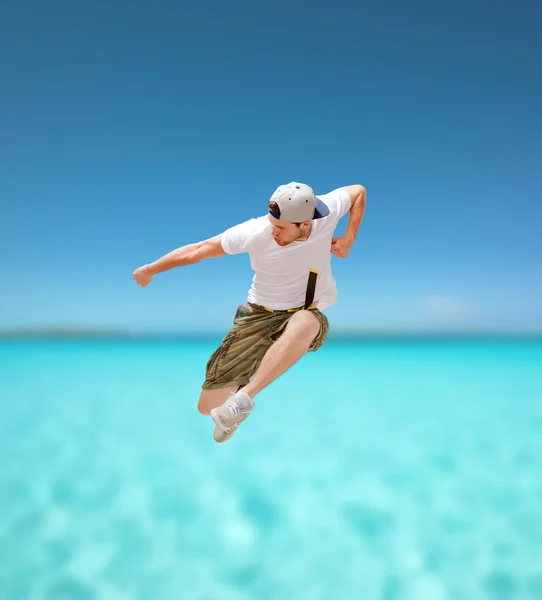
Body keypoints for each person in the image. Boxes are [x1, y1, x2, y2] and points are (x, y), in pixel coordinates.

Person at [133, 181, 366, 443]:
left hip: (304, 311)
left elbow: (358, 191)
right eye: (271, 223)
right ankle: (236, 403)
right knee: (206, 407)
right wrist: (151, 269)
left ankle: (242, 401)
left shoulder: (328, 212)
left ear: (305, 224)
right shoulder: (256, 231)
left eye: (281, 228)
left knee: (305, 321)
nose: (273, 231)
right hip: (257, 316)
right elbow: (199, 249)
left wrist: (349, 237)